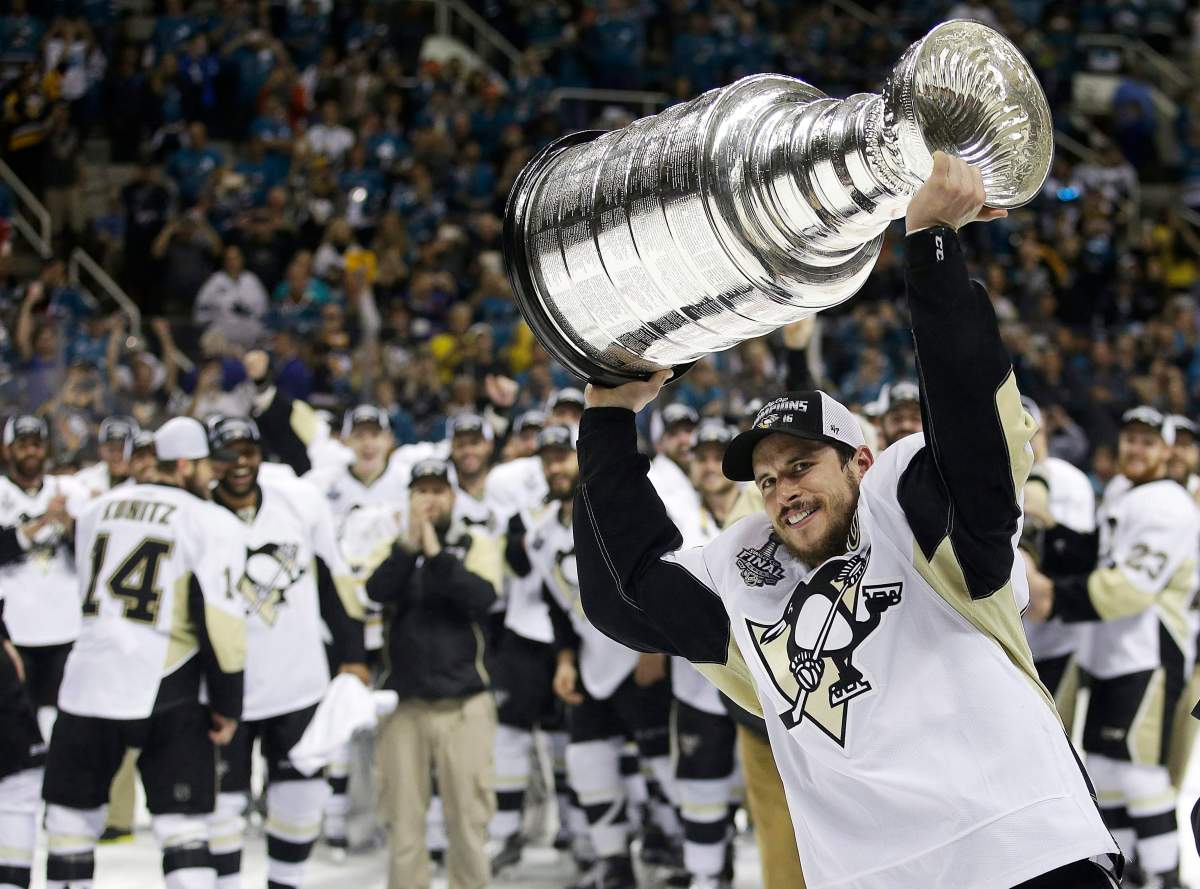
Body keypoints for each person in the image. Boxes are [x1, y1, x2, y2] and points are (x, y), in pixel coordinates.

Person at [572, 153, 1120, 889]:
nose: (783, 491)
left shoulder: (908, 511)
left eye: (801, 465)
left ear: (858, 461)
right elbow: (627, 590)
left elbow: (974, 441)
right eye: (766, 479)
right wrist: (606, 421)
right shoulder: (744, 568)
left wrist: (929, 252)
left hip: (1025, 849)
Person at [41, 416, 247, 889]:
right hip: (166, 681)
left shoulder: (97, 510)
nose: (212, 476)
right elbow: (223, 624)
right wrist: (227, 704)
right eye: (205, 466)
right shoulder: (210, 520)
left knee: (70, 823)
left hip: (87, 682)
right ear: (182, 463)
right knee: (183, 826)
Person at [1027, 406, 1199, 888]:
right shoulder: (1125, 491)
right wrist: (1054, 539)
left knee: (1141, 775)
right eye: (1130, 439)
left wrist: (1055, 598)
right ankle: (1133, 874)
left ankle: (1166, 875)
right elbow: (1100, 551)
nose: (1136, 449)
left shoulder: (1170, 504)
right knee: (1104, 770)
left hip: (1149, 655)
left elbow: (1130, 589)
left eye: (1148, 442)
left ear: (1167, 451)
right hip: (1108, 652)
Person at [204, 416, 367, 889]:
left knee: (300, 799)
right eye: (228, 454)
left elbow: (335, 578)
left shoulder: (299, 502)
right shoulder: (197, 513)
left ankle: (287, 882)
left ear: (261, 456)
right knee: (222, 806)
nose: (239, 464)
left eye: (248, 452)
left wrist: (353, 655)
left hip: (298, 681)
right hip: (222, 689)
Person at [533, 424, 682, 889]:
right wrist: (563, 661)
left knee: (666, 766)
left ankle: (684, 854)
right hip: (592, 663)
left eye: (564, 457)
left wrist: (657, 645)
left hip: (641, 654)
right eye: (549, 458)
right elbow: (557, 607)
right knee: (587, 763)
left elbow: (671, 570)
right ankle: (614, 863)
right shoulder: (538, 536)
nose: (557, 467)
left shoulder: (620, 508)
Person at [366, 458, 503, 889]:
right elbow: (374, 592)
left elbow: (481, 597)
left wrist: (435, 553)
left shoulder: (476, 542)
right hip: (404, 707)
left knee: (467, 825)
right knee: (403, 827)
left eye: (438, 490)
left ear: (453, 497)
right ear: (408, 498)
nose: (430, 499)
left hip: (465, 706)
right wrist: (409, 549)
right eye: (421, 491)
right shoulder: (393, 548)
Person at [663, 420, 761, 889]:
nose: (707, 464)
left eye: (715, 454)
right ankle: (705, 877)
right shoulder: (675, 517)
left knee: (768, 790)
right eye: (699, 456)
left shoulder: (763, 512)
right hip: (698, 675)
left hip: (762, 676)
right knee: (701, 784)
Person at [0, 416, 91, 738]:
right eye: (22, 445)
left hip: (65, 624)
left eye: (36, 444)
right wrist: (40, 523)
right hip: (15, 628)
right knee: (17, 722)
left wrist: (68, 524)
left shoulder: (69, 491)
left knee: (62, 718)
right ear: (7, 449)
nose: (31, 452)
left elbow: (92, 552)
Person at [1018, 398, 1097, 732]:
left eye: (1029, 433)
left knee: (1052, 743)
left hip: (1052, 640)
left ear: (1044, 434)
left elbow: (1078, 558)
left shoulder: (1070, 482)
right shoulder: (983, 477)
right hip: (998, 641)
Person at [647, 402, 699, 516]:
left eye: (688, 430)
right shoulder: (654, 478)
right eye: (673, 433)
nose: (684, 440)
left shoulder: (701, 477)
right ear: (658, 444)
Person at [74, 415, 140, 496]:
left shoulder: (144, 485)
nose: (116, 456)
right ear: (101, 450)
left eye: (122, 449)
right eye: (111, 449)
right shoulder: (84, 480)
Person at [872, 380, 923, 449]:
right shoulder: (873, 459)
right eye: (897, 419)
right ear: (881, 423)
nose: (906, 426)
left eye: (915, 418)